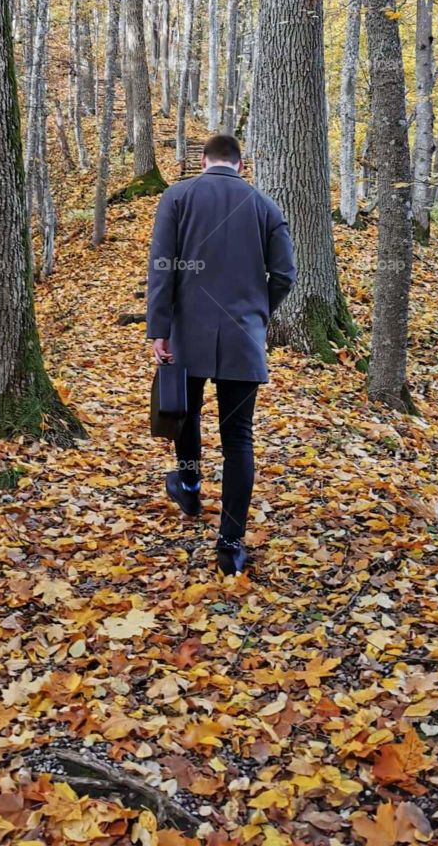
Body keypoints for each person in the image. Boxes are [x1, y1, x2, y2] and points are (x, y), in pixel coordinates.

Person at [146, 133, 296, 575]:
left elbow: (162, 266)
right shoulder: (265, 205)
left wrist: (160, 329)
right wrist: (256, 313)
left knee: (186, 414)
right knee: (238, 439)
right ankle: (230, 544)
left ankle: (189, 484)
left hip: (186, 333)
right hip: (242, 338)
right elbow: (284, 274)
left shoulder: (178, 196)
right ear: (240, 165)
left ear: (204, 161)